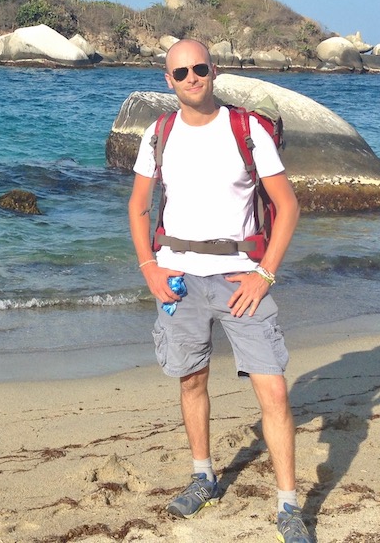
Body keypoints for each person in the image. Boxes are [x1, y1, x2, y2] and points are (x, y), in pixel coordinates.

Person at [127, 39, 313, 543]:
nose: (191, 77)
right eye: (180, 71)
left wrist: (265, 274)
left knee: (272, 387)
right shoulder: (158, 134)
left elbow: (288, 206)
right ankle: (203, 476)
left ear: (214, 71)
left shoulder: (247, 129)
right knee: (191, 381)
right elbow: (139, 206)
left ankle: (288, 504)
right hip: (178, 278)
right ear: (169, 80)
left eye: (199, 68)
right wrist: (149, 268)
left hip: (240, 279)